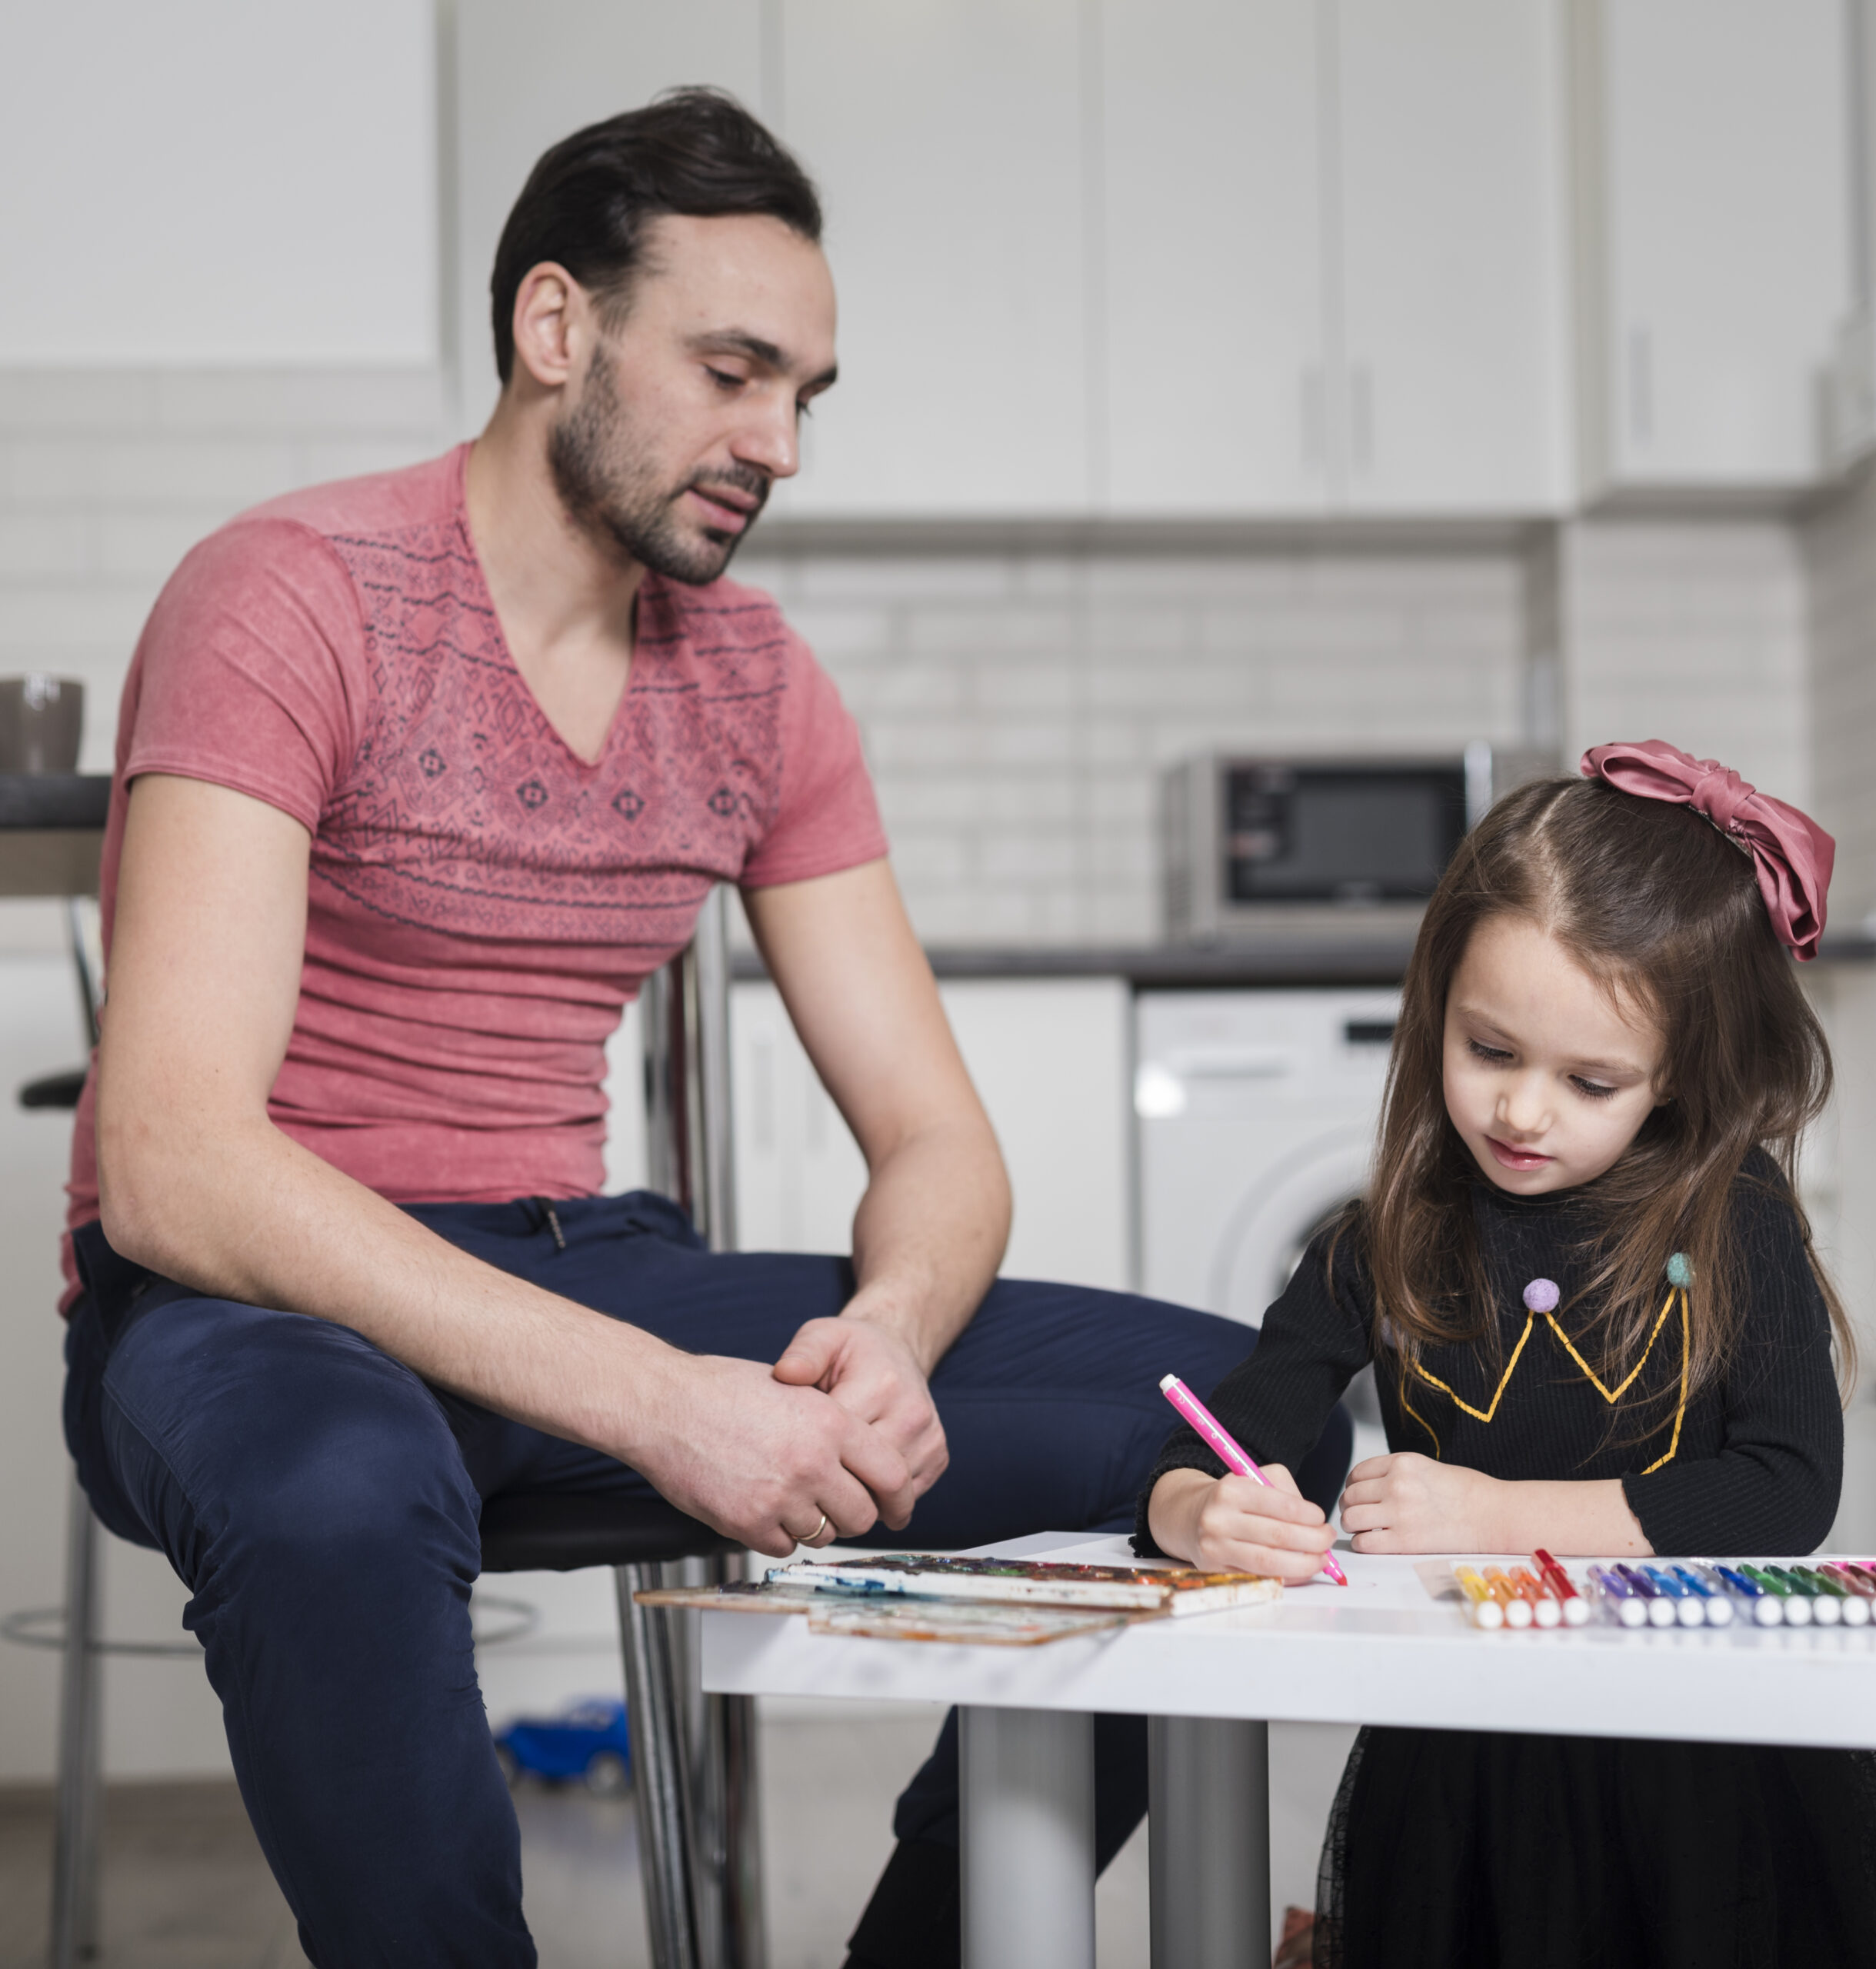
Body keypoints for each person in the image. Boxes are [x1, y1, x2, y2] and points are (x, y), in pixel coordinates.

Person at [56, 90, 1351, 1966]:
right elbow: (176, 1165)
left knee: (1249, 1413)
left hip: (579, 1266)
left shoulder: (754, 683)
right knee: (341, 1486)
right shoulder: (293, 595)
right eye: (733, 372)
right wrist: (665, 1402)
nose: (778, 445)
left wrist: (889, 1336)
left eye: (803, 394)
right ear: (555, 325)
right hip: (251, 1309)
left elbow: (935, 1139)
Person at [1139, 741, 1876, 1969]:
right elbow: (1216, 1437)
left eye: (1590, 1081)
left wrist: (1492, 1516)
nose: (1522, 1111)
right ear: (1437, 1005)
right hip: (1467, 1755)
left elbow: (1786, 1489)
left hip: (1707, 1758)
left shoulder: (1736, 1219)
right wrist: (1194, 1511)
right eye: (1489, 1050)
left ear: (1675, 1075)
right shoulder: (1382, 1239)